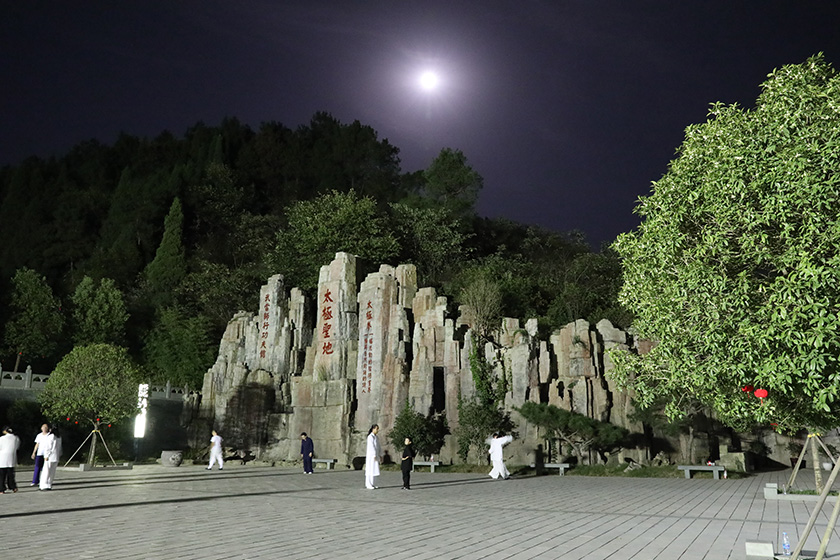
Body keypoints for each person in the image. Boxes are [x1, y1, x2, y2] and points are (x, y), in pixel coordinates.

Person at [39, 425, 61, 490]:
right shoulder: (59, 437)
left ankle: (43, 485)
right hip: (56, 456)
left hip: (50, 456)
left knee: (46, 471)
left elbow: (48, 447)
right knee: (52, 472)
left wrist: (46, 455)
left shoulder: (50, 436)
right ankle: (49, 484)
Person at [0, 426, 21, 494]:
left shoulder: (2, 438)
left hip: (3, 457)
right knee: (11, 474)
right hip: (12, 457)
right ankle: (13, 486)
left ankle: (1, 489)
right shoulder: (16, 438)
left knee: (2, 474)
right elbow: (17, 447)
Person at [365, 424, 381, 489]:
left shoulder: (376, 437)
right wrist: (374, 454)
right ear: (373, 429)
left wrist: (380, 454)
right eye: (376, 429)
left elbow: (378, 446)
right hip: (371, 456)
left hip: (375, 455)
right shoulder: (370, 437)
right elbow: (371, 447)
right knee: (370, 469)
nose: (377, 430)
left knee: (374, 470)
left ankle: (373, 483)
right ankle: (369, 484)